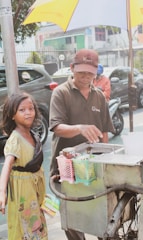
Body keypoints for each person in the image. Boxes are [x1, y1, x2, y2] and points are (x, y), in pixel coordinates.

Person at [49, 49, 114, 240]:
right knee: (73, 220)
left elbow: (104, 131)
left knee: (101, 214)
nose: (86, 77)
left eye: (90, 73)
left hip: (93, 167)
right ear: (72, 68)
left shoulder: (99, 96)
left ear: (96, 72)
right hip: (65, 167)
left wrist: (108, 159)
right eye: (81, 72)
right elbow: (56, 127)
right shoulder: (61, 93)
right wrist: (79, 128)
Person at [0, 92, 48, 240]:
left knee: (37, 223)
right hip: (23, 191)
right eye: (22, 110)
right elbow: (7, 165)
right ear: (12, 115)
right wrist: (2, 192)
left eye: (31, 108)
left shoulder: (33, 134)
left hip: (35, 189)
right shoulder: (15, 139)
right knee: (26, 227)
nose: (28, 113)